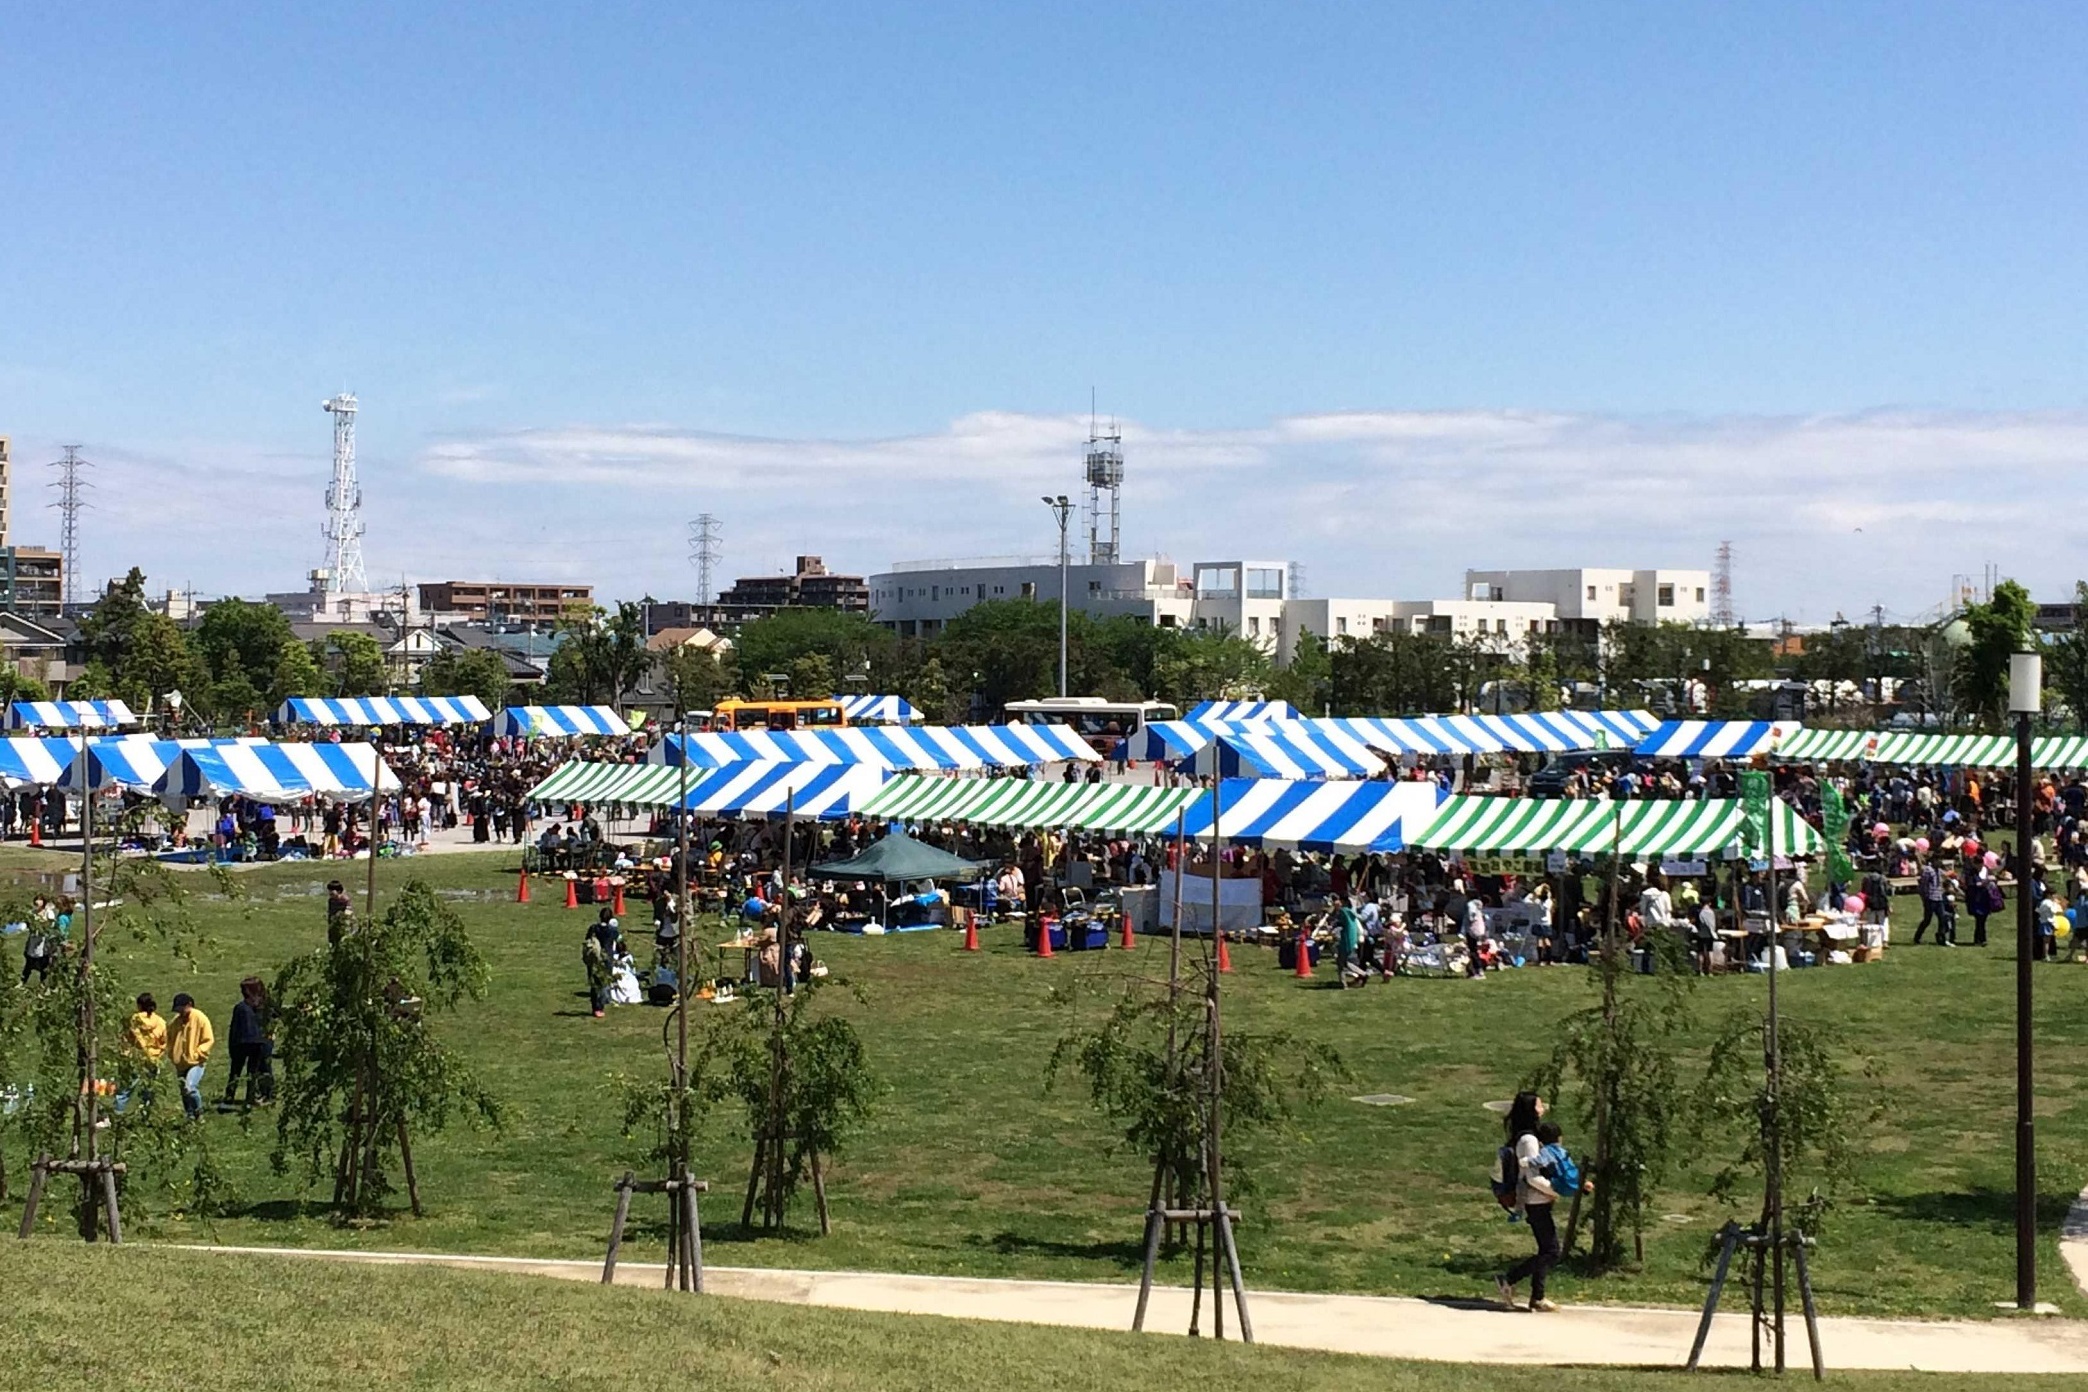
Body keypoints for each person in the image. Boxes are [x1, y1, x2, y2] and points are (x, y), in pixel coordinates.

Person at [1495, 1091, 1581, 1313]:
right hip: (1536, 1201)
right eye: (1539, 1104)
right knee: (1552, 1251)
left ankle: (1538, 1297)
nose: (1543, 1107)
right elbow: (1532, 1177)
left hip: (1540, 1200)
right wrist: (1556, 1191)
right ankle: (1509, 1278)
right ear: (1531, 1110)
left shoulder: (1530, 1137)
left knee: (1545, 1249)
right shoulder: (1529, 1140)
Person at [223, 977, 275, 1109]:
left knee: (252, 1070)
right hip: (254, 1042)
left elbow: (235, 1028)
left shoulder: (245, 1007)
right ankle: (249, 1097)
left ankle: (258, 1095)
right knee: (252, 1071)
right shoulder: (246, 1007)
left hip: (251, 1042)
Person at [114, 993, 167, 1115]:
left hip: (134, 1058)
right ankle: (146, 1114)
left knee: (125, 1089)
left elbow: (128, 1039)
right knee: (149, 1089)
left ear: (139, 1005)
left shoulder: (134, 1020)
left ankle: (117, 1114)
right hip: (153, 1059)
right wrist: (156, 1054)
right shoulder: (160, 1022)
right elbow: (164, 1042)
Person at [167, 992, 214, 1121]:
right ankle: (190, 1115)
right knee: (183, 1091)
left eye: (181, 1009)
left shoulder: (200, 1018)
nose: (179, 1013)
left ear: (189, 1005)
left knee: (190, 1087)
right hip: (180, 1063)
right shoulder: (175, 1022)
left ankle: (199, 1113)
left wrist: (198, 1054)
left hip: (196, 1062)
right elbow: (169, 1039)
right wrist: (172, 1054)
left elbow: (208, 1040)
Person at [583, 910, 623, 1018]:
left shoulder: (593, 928)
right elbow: (620, 941)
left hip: (594, 957)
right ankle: (600, 1007)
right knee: (603, 983)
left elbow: (587, 939)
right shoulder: (612, 930)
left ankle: (594, 1007)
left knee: (594, 983)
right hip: (606, 958)